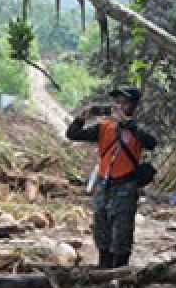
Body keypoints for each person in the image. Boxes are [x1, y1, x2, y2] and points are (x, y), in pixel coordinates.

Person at [66, 87, 157, 269]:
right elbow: (73, 134)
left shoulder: (137, 129)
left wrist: (129, 124)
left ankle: (120, 273)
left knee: (122, 231)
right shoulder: (105, 127)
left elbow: (151, 143)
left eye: (125, 102)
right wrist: (81, 118)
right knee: (101, 227)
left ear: (133, 106)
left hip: (126, 185)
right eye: (118, 102)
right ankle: (104, 269)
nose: (120, 106)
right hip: (104, 184)